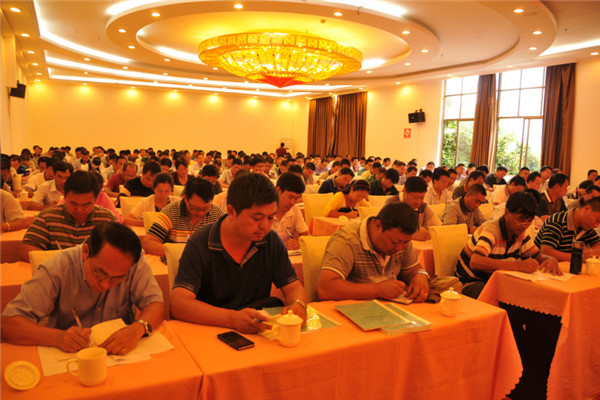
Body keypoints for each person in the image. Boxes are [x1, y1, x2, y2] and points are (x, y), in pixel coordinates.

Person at [170, 173, 308, 333]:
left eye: (270, 217)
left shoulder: (270, 241)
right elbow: (179, 304)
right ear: (231, 212)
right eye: (257, 218)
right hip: (211, 329)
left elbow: (293, 287)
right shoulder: (201, 243)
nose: (265, 226)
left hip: (257, 328)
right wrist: (232, 319)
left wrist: (298, 305)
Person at [2, 223, 164, 354]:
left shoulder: (134, 262)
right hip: (68, 357)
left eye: (117, 278)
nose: (105, 285)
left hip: (121, 355)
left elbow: (156, 303)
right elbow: (8, 324)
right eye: (99, 273)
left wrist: (138, 328)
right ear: (85, 252)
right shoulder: (58, 267)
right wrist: (58, 338)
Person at [316, 203, 429, 302]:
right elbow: (325, 288)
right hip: (353, 309)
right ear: (377, 226)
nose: (400, 248)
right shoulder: (347, 240)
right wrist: (376, 290)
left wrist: (420, 275)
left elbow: (413, 269)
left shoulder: (402, 240)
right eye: (394, 242)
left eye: (406, 242)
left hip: (392, 309)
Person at [456, 192, 560, 299]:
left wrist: (550, 259)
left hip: (496, 280)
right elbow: (476, 261)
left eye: (529, 221)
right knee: (504, 297)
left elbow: (538, 256)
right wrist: (518, 266)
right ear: (506, 213)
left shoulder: (520, 234)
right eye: (520, 219)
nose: (524, 225)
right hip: (471, 282)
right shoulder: (491, 230)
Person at [19, 171, 117, 262]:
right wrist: (61, 262)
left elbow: (121, 249)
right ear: (64, 196)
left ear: (95, 199)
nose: (79, 210)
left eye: (86, 205)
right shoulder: (47, 217)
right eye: (73, 204)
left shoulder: (107, 219)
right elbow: (26, 248)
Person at [142, 176, 225, 256]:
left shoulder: (217, 214)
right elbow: (148, 243)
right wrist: (182, 253)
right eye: (195, 208)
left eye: (205, 208)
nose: (201, 213)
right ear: (185, 199)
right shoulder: (172, 212)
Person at [534, 197, 600, 262]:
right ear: (586, 209)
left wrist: (591, 253)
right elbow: (546, 252)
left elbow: (598, 245)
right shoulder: (557, 221)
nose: (596, 225)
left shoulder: (586, 227)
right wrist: (578, 257)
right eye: (597, 220)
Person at [385, 176, 441, 241]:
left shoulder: (423, 206)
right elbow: (386, 231)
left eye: (421, 197)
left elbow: (439, 226)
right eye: (415, 198)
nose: (418, 202)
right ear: (404, 191)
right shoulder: (392, 204)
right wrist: (411, 236)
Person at [272, 172, 309, 250]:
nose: (292, 203)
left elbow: (305, 235)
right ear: (278, 190)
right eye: (290, 197)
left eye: (296, 199)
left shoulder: (294, 209)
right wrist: (282, 246)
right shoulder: (263, 209)